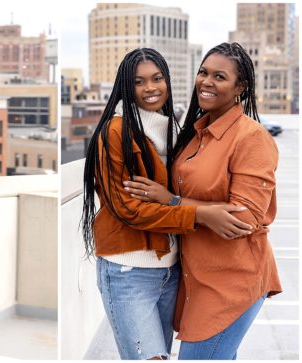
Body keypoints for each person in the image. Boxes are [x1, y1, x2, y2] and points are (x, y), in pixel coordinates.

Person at [78, 48, 251, 360]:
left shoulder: (175, 130)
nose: (150, 88)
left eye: (157, 78)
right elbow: (127, 209)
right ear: (126, 87)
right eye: (139, 82)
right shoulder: (115, 132)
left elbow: (181, 192)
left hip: (170, 270)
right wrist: (199, 215)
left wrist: (182, 205)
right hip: (128, 269)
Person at [124, 42, 281, 360]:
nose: (207, 82)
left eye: (219, 76)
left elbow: (244, 217)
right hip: (197, 276)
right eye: (203, 72)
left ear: (241, 87)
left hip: (232, 281)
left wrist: (173, 201)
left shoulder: (251, 138)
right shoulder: (196, 132)